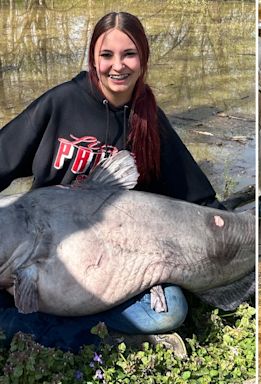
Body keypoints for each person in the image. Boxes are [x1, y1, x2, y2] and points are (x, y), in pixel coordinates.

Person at [0, 12, 224, 351]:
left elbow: (195, 195)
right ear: (93, 58)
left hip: (118, 266)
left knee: (170, 311)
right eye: (107, 55)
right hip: (46, 253)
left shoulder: (150, 121)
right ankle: (104, 336)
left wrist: (225, 225)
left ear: (143, 58)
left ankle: (55, 331)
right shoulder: (60, 102)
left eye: (129, 54)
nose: (117, 66)